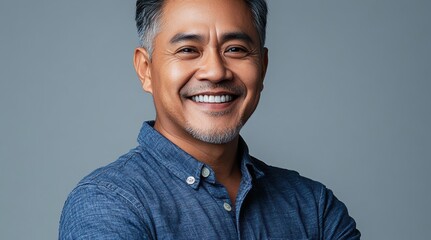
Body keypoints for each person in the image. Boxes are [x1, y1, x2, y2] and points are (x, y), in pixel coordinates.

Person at [59, 0, 361, 239]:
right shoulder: (108, 205)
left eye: (236, 49)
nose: (216, 71)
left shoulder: (313, 207)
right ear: (146, 69)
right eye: (189, 50)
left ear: (263, 67)